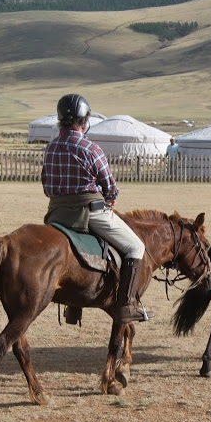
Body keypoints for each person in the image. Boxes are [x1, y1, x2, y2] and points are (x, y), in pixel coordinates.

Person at [41, 93, 154, 323]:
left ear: (61, 120)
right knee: (135, 247)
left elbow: (46, 185)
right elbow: (111, 188)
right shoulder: (91, 149)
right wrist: (110, 200)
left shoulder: (50, 148)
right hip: (90, 213)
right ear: (85, 120)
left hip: (57, 215)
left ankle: (73, 306)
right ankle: (126, 306)